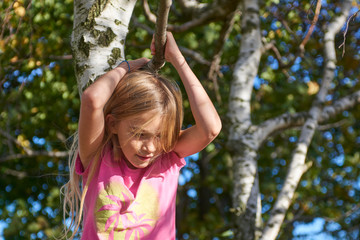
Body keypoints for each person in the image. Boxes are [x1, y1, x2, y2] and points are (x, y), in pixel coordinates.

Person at [61, 32, 221, 240]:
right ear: (113, 124)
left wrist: (177, 59)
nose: (151, 147)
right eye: (140, 134)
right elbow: (92, 99)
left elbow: (211, 128)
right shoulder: (97, 158)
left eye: (159, 136)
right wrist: (126, 66)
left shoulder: (167, 156)